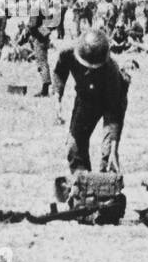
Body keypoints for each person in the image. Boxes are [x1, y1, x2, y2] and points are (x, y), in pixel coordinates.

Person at [53, 29, 129, 173]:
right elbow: (59, 72)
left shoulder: (111, 71)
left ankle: (107, 186)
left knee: (108, 155)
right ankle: (83, 183)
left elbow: (114, 113)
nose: (89, 72)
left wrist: (113, 149)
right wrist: (57, 97)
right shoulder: (68, 53)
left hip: (111, 101)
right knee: (74, 146)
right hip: (86, 99)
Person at [24, 0, 53, 97]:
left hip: (39, 37)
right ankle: (45, 88)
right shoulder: (43, 3)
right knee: (42, 61)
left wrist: (29, 34)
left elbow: (32, 25)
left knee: (42, 62)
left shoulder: (36, 5)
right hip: (44, 35)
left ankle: (45, 90)